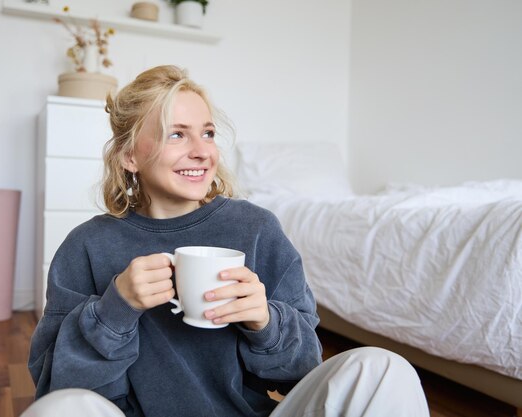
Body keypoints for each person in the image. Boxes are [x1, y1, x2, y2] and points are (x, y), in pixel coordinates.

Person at [23, 65, 429, 417]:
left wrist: (265, 322)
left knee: (383, 368)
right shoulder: (88, 245)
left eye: (208, 133)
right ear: (130, 156)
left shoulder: (256, 229)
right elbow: (56, 386)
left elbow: (303, 370)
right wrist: (115, 309)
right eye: (177, 135)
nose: (202, 151)